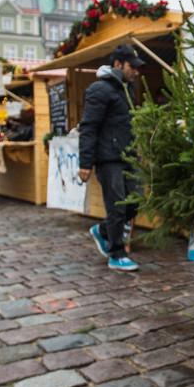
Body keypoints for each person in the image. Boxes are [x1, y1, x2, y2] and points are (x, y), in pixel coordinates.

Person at [78, 43, 146, 271]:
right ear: (117, 64)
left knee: (138, 200)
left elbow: (127, 125)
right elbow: (89, 127)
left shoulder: (126, 89)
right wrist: (85, 163)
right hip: (108, 159)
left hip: (128, 157)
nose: (135, 71)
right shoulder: (99, 90)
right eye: (131, 66)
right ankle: (116, 254)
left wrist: (137, 149)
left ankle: (103, 230)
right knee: (117, 206)